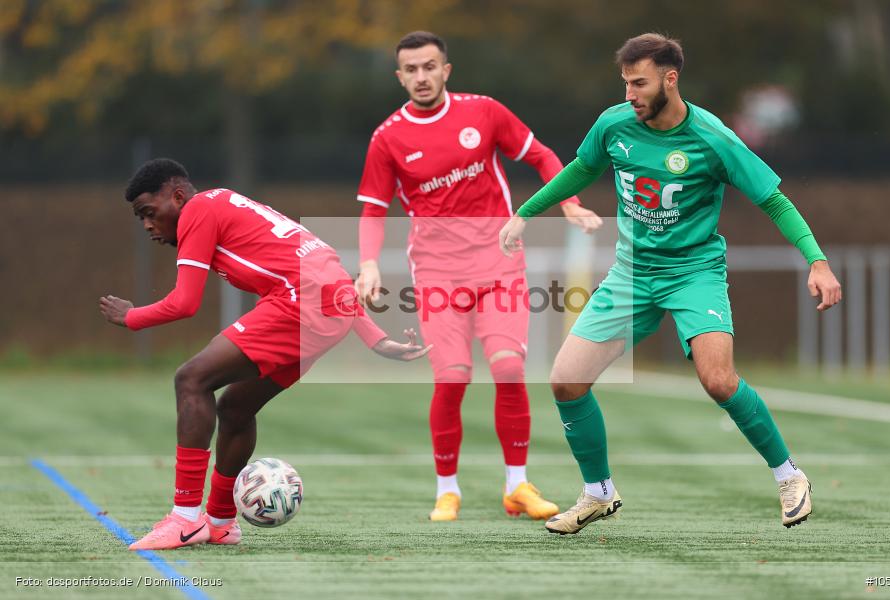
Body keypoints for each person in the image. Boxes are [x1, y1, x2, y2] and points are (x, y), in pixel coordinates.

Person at [499, 33, 842, 535]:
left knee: (718, 380)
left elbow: (773, 200)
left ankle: (789, 476)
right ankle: (598, 492)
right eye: (625, 84)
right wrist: (525, 212)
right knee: (566, 382)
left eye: (639, 83)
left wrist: (817, 260)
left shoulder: (713, 138)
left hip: (693, 273)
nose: (629, 94)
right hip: (631, 274)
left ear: (670, 78)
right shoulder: (613, 125)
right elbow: (580, 169)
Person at [100, 158, 429, 550]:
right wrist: (378, 340)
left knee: (191, 379)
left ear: (177, 196)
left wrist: (132, 316)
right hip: (325, 308)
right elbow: (326, 270)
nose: (148, 226)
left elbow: (185, 303)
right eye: (141, 219)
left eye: (149, 213)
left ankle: (185, 519)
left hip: (299, 304)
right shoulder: (229, 202)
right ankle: (220, 522)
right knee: (236, 407)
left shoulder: (199, 210)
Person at [355, 30, 604, 522]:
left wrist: (570, 203)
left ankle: (517, 485)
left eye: (430, 67)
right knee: (451, 378)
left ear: (446, 70)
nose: (422, 77)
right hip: (437, 274)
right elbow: (371, 210)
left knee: (509, 369)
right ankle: (447, 489)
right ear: (400, 77)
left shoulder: (484, 112)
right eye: (412, 69)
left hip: (499, 264)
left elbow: (542, 156)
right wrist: (367, 263)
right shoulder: (388, 137)